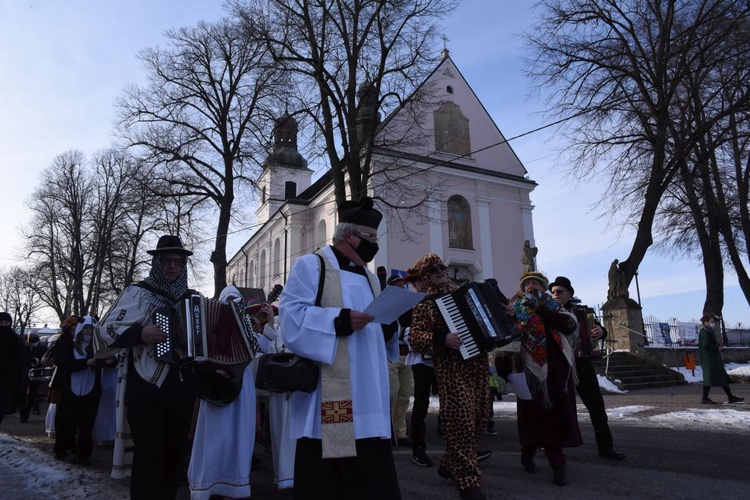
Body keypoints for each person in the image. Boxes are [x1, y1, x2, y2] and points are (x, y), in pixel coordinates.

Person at [278, 196, 402, 500]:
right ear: (349, 235)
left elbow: (379, 331)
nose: (373, 244)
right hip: (331, 392)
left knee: (371, 470)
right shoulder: (313, 265)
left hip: (370, 392)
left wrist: (389, 325)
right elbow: (291, 319)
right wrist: (340, 320)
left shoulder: (371, 278)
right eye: (370, 237)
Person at [96, 235, 198, 499]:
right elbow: (104, 332)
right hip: (147, 392)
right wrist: (139, 334)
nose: (173, 266)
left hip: (182, 392)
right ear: (156, 262)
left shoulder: (193, 299)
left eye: (178, 261)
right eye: (167, 260)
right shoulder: (137, 293)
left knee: (173, 460)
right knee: (148, 460)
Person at [408, 253, 490, 500]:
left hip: (477, 364)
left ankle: (448, 462)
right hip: (451, 368)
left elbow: (489, 315)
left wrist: (505, 310)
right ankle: (468, 481)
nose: (440, 271)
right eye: (433, 270)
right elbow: (414, 336)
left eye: (441, 267)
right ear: (425, 276)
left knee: (479, 417)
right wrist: (441, 339)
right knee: (460, 420)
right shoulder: (425, 304)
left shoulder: (468, 293)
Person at [188, 286, 276, 499]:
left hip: (241, 383)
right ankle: (207, 483)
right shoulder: (210, 325)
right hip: (216, 386)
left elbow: (264, 348)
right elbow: (197, 354)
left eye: (235, 302)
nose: (231, 306)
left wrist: (268, 325)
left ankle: (234, 484)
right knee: (215, 435)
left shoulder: (247, 326)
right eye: (228, 301)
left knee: (239, 434)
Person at [512, 272, 581, 486]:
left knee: (554, 415)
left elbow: (569, 326)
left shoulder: (555, 307)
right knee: (531, 414)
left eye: (535, 283)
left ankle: (557, 461)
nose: (531, 286)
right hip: (530, 369)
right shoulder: (516, 309)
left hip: (556, 369)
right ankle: (528, 451)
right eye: (527, 284)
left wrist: (542, 309)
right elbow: (509, 337)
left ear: (543, 288)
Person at [548, 276, 625, 460]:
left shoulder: (582, 312)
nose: (555, 295)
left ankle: (605, 447)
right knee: (557, 408)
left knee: (597, 407)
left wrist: (601, 332)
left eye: (559, 291)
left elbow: (597, 330)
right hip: (560, 366)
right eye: (553, 292)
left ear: (570, 294)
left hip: (582, 365)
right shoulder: (549, 312)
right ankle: (552, 447)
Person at [51, 315, 103, 465]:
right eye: (85, 328)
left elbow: (108, 360)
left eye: (91, 329)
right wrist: (85, 363)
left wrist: (107, 362)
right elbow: (65, 363)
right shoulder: (70, 345)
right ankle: (63, 449)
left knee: (86, 424)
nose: (88, 331)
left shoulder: (98, 346)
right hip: (70, 390)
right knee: (67, 421)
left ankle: (83, 453)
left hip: (91, 390)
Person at [403, 270, 439, 468]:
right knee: (421, 403)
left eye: (425, 279)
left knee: (453, 402)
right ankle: (418, 448)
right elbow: (401, 330)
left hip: (443, 358)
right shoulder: (409, 304)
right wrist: (417, 335)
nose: (422, 284)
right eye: (418, 281)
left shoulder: (439, 299)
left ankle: (461, 447)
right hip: (421, 359)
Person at [387, 274, 414, 447]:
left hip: (407, 354)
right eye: (397, 285)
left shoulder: (410, 308)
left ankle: (400, 432)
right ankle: (386, 431)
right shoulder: (388, 307)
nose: (401, 288)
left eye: (402, 286)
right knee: (391, 394)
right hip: (391, 355)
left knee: (404, 395)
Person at [698, 313, 744, 405]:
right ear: (706, 322)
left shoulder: (708, 331)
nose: (713, 323)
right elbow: (706, 345)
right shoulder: (705, 332)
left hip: (713, 358)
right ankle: (705, 398)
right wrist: (717, 348)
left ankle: (730, 397)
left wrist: (717, 347)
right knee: (709, 378)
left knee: (721, 377)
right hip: (709, 359)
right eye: (711, 321)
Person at [0, 311, 23, 428]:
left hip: (8, 382)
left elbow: (21, 361)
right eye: (1, 322)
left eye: (6, 322)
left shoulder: (15, 340)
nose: (4, 325)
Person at [22, 332, 46, 420]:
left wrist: (39, 361)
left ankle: (28, 411)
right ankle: (25, 411)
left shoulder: (42, 348)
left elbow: (45, 358)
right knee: (23, 393)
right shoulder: (25, 348)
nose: (33, 338)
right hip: (25, 372)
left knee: (33, 393)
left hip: (36, 373)